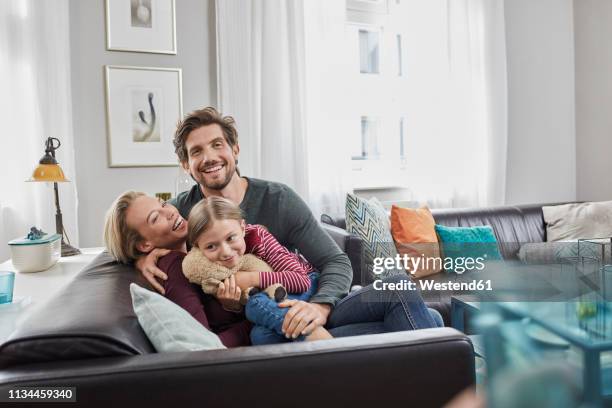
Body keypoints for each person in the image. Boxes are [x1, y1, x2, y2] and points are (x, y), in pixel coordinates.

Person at [135, 106, 442, 341]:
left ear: (235, 150)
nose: (210, 157)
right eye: (196, 152)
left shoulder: (278, 198)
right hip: (270, 323)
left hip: (310, 301)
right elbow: (131, 233)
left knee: (403, 293)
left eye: (218, 145)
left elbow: (335, 261)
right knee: (429, 321)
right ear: (185, 164)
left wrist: (320, 308)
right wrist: (141, 258)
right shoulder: (181, 212)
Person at [185, 195, 333, 343]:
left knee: (255, 305)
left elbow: (301, 280)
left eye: (230, 238)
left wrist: (250, 278)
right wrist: (231, 305)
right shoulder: (205, 266)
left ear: (242, 228)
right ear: (198, 247)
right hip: (272, 298)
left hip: (307, 281)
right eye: (211, 246)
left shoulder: (260, 239)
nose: (225, 251)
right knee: (260, 337)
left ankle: (322, 341)